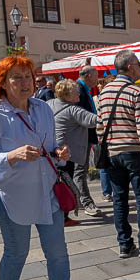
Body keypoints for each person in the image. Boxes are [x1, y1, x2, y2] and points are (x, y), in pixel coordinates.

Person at [0, 56, 82, 280]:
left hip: (47, 193)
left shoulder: (43, 109)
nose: (25, 83)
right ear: (2, 83)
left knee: (58, 255)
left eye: (28, 77)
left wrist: (59, 154)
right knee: (16, 253)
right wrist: (11, 155)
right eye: (17, 77)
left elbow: (50, 148)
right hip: (13, 197)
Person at [97, 50, 140, 258]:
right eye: (138, 63)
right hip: (135, 153)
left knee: (119, 199)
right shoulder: (137, 92)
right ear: (129, 67)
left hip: (112, 153)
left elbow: (99, 127)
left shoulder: (104, 92)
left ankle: (125, 244)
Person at [49, 78, 99, 218]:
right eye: (76, 93)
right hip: (66, 153)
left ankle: (60, 215)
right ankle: (63, 216)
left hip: (52, 150)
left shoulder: (50, 104)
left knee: (57, 184)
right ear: (67, 95)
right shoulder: (73, 110)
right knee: (65, 184)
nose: (79, 95)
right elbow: (94, 120)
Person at [77, 64, 111, 204]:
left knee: (82, 170)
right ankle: (85, 202)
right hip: (82, 136)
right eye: (96, 77)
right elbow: (80, 115)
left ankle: (82, 200)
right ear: (89, 76)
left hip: (87, 135)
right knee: (80, 170)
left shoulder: (85, 89)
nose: (98, 81)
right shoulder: (79, 89)